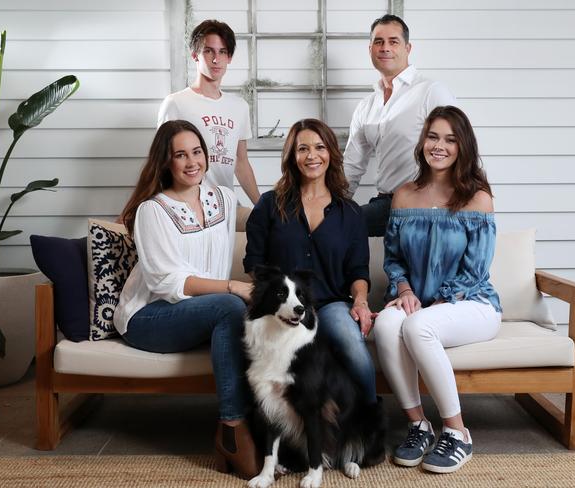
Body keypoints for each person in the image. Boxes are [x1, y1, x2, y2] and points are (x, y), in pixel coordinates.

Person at [114, 120, 260, 480]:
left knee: (245, 312)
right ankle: (232, 428)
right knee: (230, 305)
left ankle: (269, 426)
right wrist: (231, 286)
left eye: (197, 152)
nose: (191, 161)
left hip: (201, 314)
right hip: (150, 318)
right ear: (166, 162)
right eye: (180, 155)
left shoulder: (224, 199)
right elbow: (165, 282)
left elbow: (263, 231)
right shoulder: (153, 210)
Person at [373, 106, 502, 474]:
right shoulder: (403, 195)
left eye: (449, 139)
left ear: (463, 146)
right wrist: (405, 288)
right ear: (422, 142)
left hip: (471, 303)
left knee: (418, 326)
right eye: (433, 137)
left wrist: (435, 300)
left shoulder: (477, 198)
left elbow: (475, 268)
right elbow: (393, 257)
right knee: (385, 324)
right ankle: (418, 425)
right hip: (420, 299)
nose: (439, 146)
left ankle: (458, 433)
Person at [243, 118, 378, 406]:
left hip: (330, 305)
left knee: (353, 346)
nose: (312, 156)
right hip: (281, 307)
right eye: (303, 149)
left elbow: (358, 270)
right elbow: (254, 263)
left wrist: (361, 302)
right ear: (292, 156)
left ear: (331, 153)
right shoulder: (269, 205)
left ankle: (369, 423)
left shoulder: (350, 213)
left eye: (319, 147)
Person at [343, 14, 456, 236]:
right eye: (379, 42)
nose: (385, 48)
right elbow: (352, 167)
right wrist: (329, 209)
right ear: (370, 50)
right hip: (385, 203)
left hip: (424, 204)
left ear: (407, 48)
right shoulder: (366, 106)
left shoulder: (431, 92)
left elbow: (461, 146)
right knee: (330, 225)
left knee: (340, 227)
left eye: (393, 41)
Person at [158, 19, 260, 207]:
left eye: (222, 52)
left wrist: (262, 206)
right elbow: (160, 162)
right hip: (188, 205)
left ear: (229, 57)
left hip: (227, 206)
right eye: (208, 51)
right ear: (195, 55)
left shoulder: (239, 107)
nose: (216, 59)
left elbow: (241, 162)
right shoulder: (176, 103)